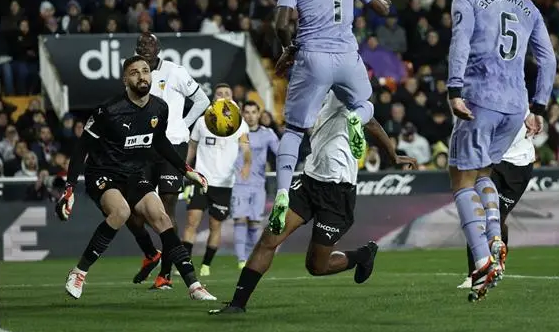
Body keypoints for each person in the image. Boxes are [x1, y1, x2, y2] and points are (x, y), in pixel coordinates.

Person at [210, 91, 417, 314]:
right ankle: (237, 304)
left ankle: (362, 255)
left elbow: (372, 120)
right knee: (269, 239)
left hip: (338, 192)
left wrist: (393, 155)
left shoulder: (341, 89)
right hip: (309, 183)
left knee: (316, 267)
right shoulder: (311, 90)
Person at [446, 0, 556, 302]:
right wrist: (538, 107)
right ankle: (494, 232)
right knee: (482, 174)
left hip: (480, 98)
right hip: (516, 106)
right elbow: (548, 59)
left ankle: (481, 261)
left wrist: (454, 89)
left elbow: (460, 41)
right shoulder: (527, 5)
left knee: (461, 178)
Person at [55, 55, 216, 301]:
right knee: (121, 212)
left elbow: (160, 142)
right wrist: (69, 190)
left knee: (162, 217)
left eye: (145, 71)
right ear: (125, 80)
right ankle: (79, 272)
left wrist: (186, 170)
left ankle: (194, 286)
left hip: (133, 174)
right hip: (103, 174)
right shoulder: (107, 111)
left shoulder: (159, 108)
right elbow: (81, 149)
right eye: (134, 72)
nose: (142, 76)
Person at [269, 0, 393, 236]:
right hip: (348, 56)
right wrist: (385, 0)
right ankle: (356, 119)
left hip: (312, 56)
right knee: (365, 105)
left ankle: (283, 192)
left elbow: (281, 23)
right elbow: (382, 8)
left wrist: (289, 48)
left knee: (295, 131)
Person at [128, 33, 211, 287]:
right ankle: (150, 253)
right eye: (141, 47)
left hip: (173, 146)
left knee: (167, 209)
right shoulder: (135, 76)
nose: (146, 50)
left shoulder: (175, 72)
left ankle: (165, 274)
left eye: (150, 46)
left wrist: (182, 125)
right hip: (143, 147)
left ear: (158, 49)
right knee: (132, 212)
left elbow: (202, 101)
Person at [163, 83, 251, 286]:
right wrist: (184, 167)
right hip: (201, 179)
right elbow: (192, 147)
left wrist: (246, 164)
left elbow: (246, 148)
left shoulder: (240, 124)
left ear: (233, 100)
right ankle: (185, 262)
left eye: (227, 94)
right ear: (213, 99)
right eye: (219, 94)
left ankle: (206, 264)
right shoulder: (202, 122)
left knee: (215, 225)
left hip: (224, 183)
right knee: (192, 222)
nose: (223, 96)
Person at [458, 112, 534, 288]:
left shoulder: (520, 102)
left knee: (499, 218)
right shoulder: (486, 100)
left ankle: (499, 259)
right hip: (493, 163)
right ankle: (474, 275)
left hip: (520, 166)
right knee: (480, 214)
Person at [231, 100, 279, 269]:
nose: (250, 116)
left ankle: (252, 257)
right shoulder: (235, 132)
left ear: (259, 114)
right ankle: (241, 260)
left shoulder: (268, 134)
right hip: (238, 183)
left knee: (254, 222)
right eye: (247, 112)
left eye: (253, 112)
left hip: (259, 184)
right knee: (240, 218)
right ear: (242, 114)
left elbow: (279, 152)